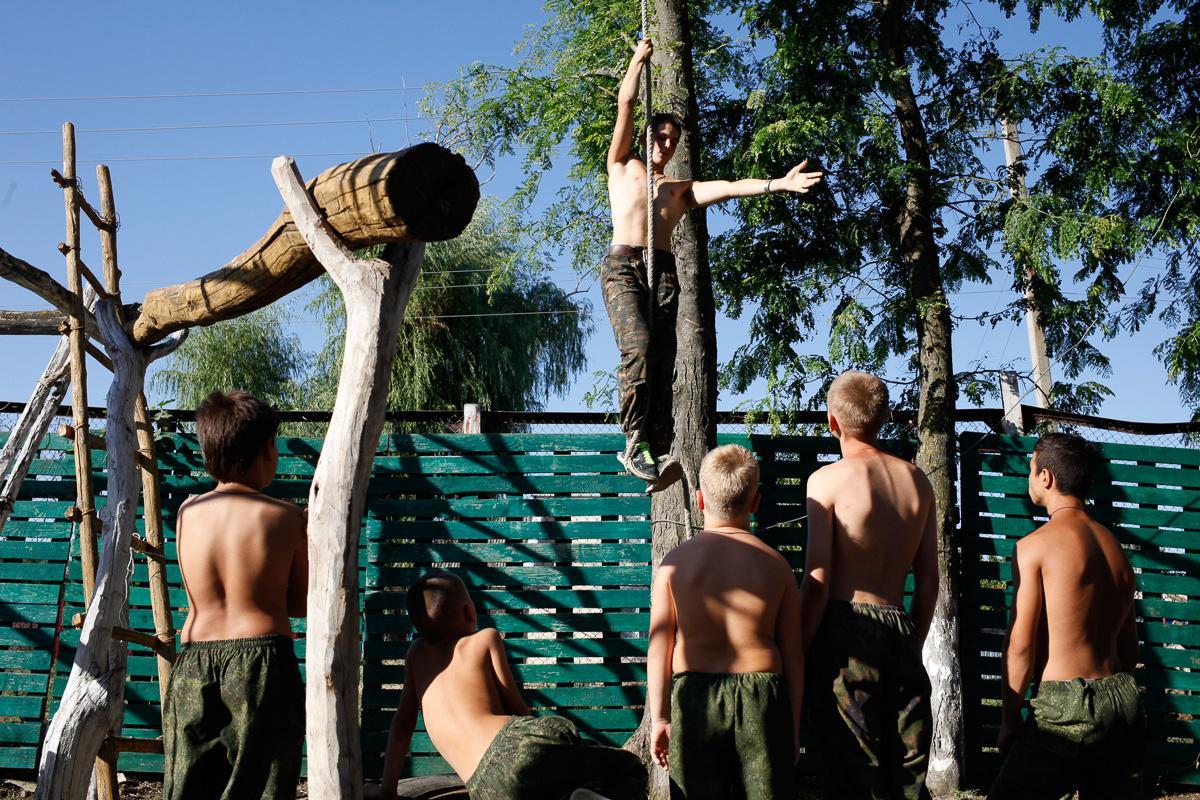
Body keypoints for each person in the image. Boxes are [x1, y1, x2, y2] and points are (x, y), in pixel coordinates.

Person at [604, 38, 823, 489]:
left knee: (665, 360)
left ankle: (656, 448)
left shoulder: (679, 190)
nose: (666, 143)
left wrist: (778, 184)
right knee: (640, 348)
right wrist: (636, 63)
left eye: (673, 139)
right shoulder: (623, 165)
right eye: (660, 135)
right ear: (647, 136)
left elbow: (726, 186)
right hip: (624, 267)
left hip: (662, 271)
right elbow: (627, 103)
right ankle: (632, 440)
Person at [371, 570, 647, 800]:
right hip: (517, 744)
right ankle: (588, 792)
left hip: (484, 787)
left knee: (548, 783)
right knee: (626, 767)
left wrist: (387, 790)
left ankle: (576, 791)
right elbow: (516, 708)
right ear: (468, 611)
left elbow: (402, 724)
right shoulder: (484, 640)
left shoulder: (415, 656)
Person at [162, 390, 308, 800]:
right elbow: (298, 605)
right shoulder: (287, 518)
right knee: (261, 785)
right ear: (266, 450)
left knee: (188, 786)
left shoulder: (187, 513)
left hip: (194, 660)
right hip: (261, 663)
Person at [799, 371, 938, 799]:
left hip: (845, 633)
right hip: (898, 625)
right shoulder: (917, 481)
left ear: (832, 422)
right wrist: (912, 642)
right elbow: (929, 580)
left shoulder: (826, 481)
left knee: (851, 768)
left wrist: (797, 650)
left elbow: (818, 582)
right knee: (906, 768)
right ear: (886, 417)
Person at [989, 432, 1144, 799]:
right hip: (1121, 702)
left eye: (1030, 469)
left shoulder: (1034, 548)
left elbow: (1021, 647)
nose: (1029, 478)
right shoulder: (1115, 549)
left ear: (1046, 477)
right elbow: (1130, 651)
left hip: (1066, 706)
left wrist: (1010, 720)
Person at [646, 444, 803, 799]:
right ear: (756, 503)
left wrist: (661, 719)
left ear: (699, 500)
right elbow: (793, 654)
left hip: (695, 698)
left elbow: (659, 648)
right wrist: (792, 727)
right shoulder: (776, 566)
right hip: (763, 698)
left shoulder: (673, 565)